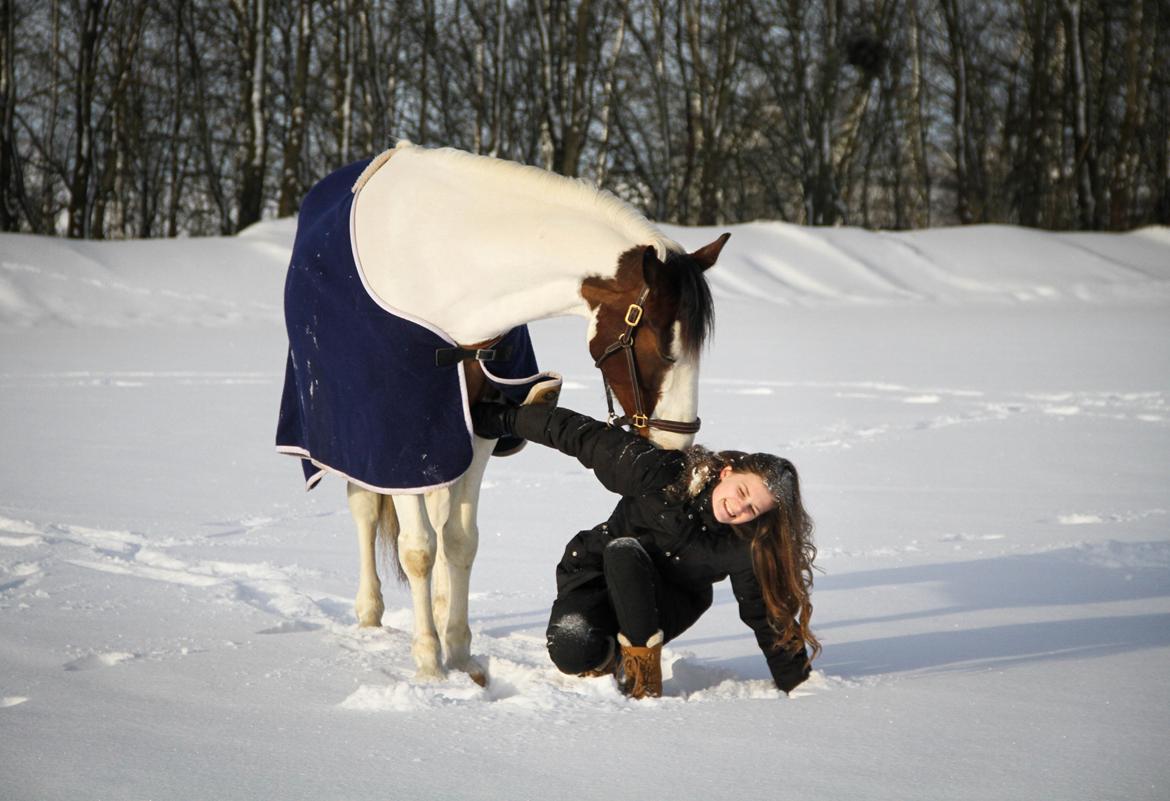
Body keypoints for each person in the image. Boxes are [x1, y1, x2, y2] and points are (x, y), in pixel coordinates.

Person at [471, 400, 820, 699]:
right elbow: (581, 436)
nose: (738, 509)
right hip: (595, 578)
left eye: (752, 510)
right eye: (742, 493)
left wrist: (798, 683)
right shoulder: (662, 473)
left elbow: (765, 616)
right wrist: (504, 419)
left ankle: (642, 675)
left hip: (664, 606)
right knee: (572, 651)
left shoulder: (746, 544)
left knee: (626, 552)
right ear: (727, 471)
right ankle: (614, 656)